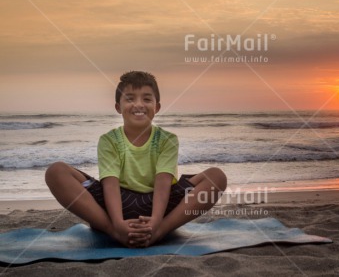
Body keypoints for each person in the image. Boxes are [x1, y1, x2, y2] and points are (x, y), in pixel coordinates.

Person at [45, 71, 227, 248]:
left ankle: (160, 231)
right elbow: (110, 184)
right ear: (118, 107)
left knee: (216, 177)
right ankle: (113, 230)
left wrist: (156, 222)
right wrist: (116, 223)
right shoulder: (109, 140)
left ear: (157, 107)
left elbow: (163, 182)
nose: (138, 104)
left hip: (160, 205)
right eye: (130, 98)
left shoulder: (167, 139)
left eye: (147, 99)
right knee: (56, 171)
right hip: (117, 204)